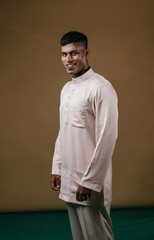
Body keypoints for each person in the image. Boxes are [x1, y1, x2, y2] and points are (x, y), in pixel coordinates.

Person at [50, 31, 118, 240]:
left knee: (97, 235)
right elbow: (64, 131)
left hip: (89, 182)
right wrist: (57, 168)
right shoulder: (66, 89)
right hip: (70, 177)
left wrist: (89, 182)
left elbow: (107, 138)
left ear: (86, 52)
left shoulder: (101, 88)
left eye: (74, 53)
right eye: (64, 54)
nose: (68, 60)